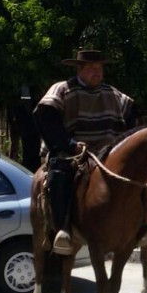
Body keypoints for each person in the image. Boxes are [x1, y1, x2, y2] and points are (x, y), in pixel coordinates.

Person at [33, 49, 136, 253]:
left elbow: (130, 118)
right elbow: (47, 120)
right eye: (91, 68)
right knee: (59, 174)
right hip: (70, 151)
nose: (97, 73)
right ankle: (62, 228)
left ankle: (142, 223)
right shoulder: (61, 89)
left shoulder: (113, 94)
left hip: (105, 152)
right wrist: (70, 144)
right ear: (79, 69)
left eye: (99, 68)